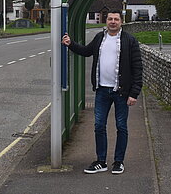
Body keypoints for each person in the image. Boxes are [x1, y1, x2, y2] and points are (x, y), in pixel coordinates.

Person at [61, 10, 143, 175]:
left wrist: (134, 93)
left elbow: (137, 68)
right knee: (99, 126)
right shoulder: (100, 37)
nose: (113, 22)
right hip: (101, 90)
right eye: (110, 19)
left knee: (121, 127)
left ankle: (118, 162)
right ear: (106, 21)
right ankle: (101, 161)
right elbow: (86, 51)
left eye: (116, 19)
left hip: (121, 92)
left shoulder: (130, 40)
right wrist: (71, 44)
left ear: (121, 22)